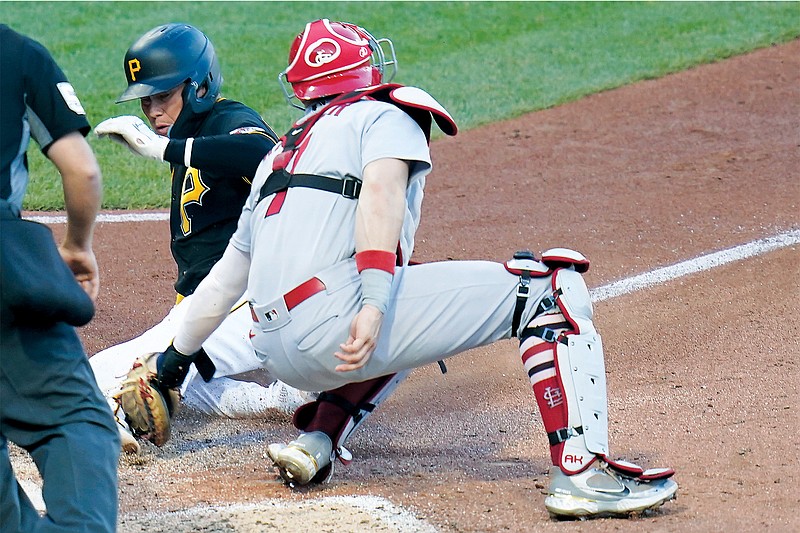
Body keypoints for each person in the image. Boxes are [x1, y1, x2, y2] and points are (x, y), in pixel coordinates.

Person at [152, 19, 679, 519]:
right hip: (331, 329)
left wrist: (169, 367)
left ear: (303, 87)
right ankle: (584, 476)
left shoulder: (279, 154)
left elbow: (226, 278)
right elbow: (379, 198)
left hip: (273, 347)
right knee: (550, 287)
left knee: (411, 288)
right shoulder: (385, 113)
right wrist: (375, 303)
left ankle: (318, 439)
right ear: (364, 70)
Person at [91, 23, 312, 454]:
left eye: (163, 96)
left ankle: (118, 419)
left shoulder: (228, 118)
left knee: (100, 373)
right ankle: (283, 398)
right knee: (194, 389)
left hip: (244, 300)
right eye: (146, 100)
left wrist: (163, 150)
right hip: (217, 308)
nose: (152, 111)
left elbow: (265, 156)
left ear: (199, 85)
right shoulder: (188, 134)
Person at [0, 24, 119, 532]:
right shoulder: (16, 52)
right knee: (74, 418)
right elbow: (83, 171)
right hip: (4, 266)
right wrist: (76, 243)